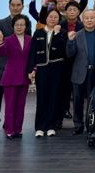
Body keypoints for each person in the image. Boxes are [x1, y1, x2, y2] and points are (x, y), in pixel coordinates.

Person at [0, 0, 32, 134]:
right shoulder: (1, 22)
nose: (15, 7)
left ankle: (10, 123)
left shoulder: (26, 22)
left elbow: (28, 44)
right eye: (13, 5)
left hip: (18, 69)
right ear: (9, 6)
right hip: (2, 65)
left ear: (22, 7)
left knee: (15, 99)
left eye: (18, 5)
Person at [27, 9, 67, 137]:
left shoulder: (62, 33)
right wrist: (30, 69)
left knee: (54, 97)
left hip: (57, 69)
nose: (53, 19)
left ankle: (50, 126)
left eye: (56, 17)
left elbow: (64, 49)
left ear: (59, 19)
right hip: (42, 69)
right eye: (51, 17)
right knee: (41, 97)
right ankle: (39, 127)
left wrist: (57, 34)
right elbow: (32, 52)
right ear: (46, 18)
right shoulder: (38, 32)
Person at [67, 9, 95, 135]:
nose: (89, 20)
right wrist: (70, 41)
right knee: (77, 101)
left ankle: (91, 125)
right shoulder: (76, 35)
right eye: (86, 18)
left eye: (92, 18)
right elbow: (69, 54)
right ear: (82, 20)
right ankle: (78, 125)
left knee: (93, 100)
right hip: (79, 73)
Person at [0, 15, 33, 139]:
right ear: (13, 26)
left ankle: (18, 129)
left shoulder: (30, 39)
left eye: (22, 25)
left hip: (24, 77)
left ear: (26, 26)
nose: (19, 27)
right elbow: (2, 53)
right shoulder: (8, 39)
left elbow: (33, 58)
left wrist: (33, 70)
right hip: (10, 77)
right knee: (10, 105)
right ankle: (10, 130)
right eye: (17, 25)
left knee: (21, 106)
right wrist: (0, 42)